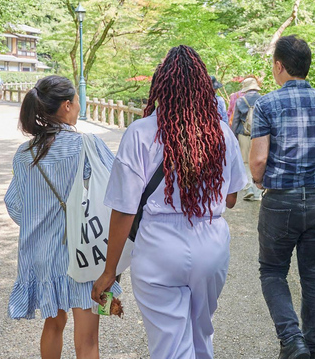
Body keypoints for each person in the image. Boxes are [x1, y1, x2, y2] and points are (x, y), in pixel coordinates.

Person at [91, 45, 247, 359]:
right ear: (204, 86)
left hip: (158, 246)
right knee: (201, 332)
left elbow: (124, 209)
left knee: (171, 346)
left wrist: (110, 270)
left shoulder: (139, 133)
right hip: (210, 241)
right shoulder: (222, 134)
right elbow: (230, 198)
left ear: (161, 85)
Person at [250, 35, 315, 359]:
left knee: (272, 272)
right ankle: (309, 347)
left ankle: (291, 340)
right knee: (314, 276)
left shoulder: (266, 104)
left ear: (279, 66)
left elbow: (257, 161)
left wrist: (258, 179)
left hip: (281, 201)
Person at [4, 75, 121, 359]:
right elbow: (116, 192)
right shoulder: (88, 145)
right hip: (84, 252)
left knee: (54, 325)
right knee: (87, 340)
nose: (79, 106)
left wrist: (42, 220)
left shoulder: (24, 154)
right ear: (67, 105)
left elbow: (14, 205)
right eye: (78, 101)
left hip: (43, 253)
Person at [231, 76, 261, 201]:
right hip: (260, 135)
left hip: (244, 134)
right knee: (258, 160)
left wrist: (233, 137)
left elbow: (236, 120)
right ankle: (258, 191)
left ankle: (249, 186)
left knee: (245, 162)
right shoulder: (262, 99)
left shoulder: (240, 101)